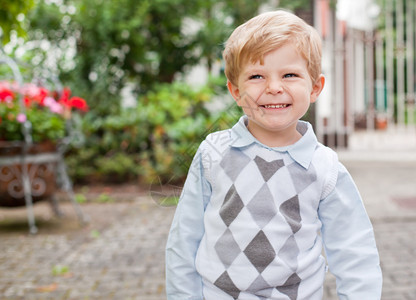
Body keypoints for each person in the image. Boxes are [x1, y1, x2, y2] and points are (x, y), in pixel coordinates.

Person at [165, 9, 382, 300]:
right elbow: (184, 240)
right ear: (236, 91)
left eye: (289, 74)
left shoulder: (324, 167)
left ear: (315, 87)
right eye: (256, 76)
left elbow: (354, 251)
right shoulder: (213, 154)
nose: (274, 88)